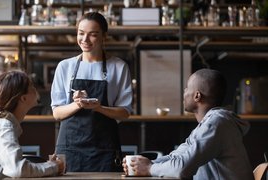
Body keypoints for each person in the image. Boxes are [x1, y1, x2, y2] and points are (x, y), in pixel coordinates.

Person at [122, 68, 254, 180]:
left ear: (197, 96)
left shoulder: (217, 123)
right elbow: (177, 157)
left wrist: (149, 168)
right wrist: (141, 164)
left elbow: (182, 168)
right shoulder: (207, 124)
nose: (184, 93)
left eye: (187, 88)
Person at [51, 12, 132, 172]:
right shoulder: (64, 67)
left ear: (104, 36)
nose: (85, 40)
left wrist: (98, 107)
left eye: (93, 35)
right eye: (81, 34)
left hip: (105, 150)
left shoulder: (118, 66)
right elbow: (57, 113)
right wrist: (77, 104)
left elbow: (124, 113)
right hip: (70, 150)